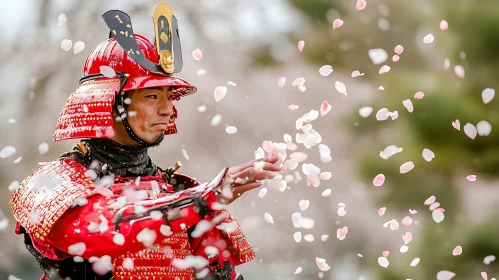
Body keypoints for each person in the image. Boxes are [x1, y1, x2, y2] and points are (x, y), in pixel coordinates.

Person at [9, 3, 281, 280]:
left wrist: (201, 200)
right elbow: (102, 231)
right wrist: (201, 200)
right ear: (109, 103)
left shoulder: (178, 190)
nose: (168, 109)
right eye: (152, 96)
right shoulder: (50, 184)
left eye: (169, 96)